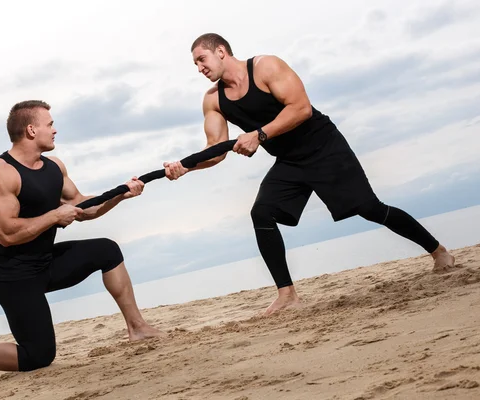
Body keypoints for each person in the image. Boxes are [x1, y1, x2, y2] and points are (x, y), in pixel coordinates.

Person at [163, 33, 456, 316]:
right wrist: (186, 166)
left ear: (221, 52)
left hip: (324, 146)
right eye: (195, 64)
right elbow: (216, 150)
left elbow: (301, 108)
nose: (200, 68)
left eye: (202, 59)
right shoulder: (213, 99)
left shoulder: (266, 66)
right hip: (289, 161)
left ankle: (438, 251)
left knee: (369, 209)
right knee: (262, 213)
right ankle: (287, 295)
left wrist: (259, 135)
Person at [0, 100, 164, 391]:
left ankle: (138, 328)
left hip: (46, 262)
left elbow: (83, 207)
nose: (55, 130)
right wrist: (54, 215)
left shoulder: (54, 166)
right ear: (31, 129)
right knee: (39, 355)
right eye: (50, 124)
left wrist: (121, 195)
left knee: (107, 250)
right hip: (14, 277)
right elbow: (7, 234)